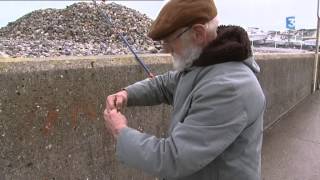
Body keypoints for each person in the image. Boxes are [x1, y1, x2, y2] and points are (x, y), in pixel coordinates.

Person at [104, 0, 266, 179]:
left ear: (198, 33)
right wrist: (127, 94)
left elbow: (173, 159)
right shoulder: (205, 61)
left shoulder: (229, 88)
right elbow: (167, 83)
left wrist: (121, 132)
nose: (165, 49)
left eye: (169, 40)